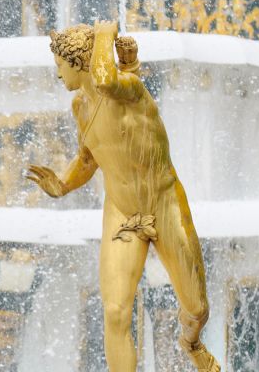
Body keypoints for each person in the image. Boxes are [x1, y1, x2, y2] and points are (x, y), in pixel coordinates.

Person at [25, 20, 220, 372]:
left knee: (197, 308)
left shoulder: (128, 86)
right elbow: (88, 158)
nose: (57, 76)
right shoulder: (81, 108)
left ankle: (190, 342)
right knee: (115, 312)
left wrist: (104, 33)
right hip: (122, 215)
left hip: (163, 204)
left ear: (78, 61)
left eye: (59, 66)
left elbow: (105, 79)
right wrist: (63, 184)